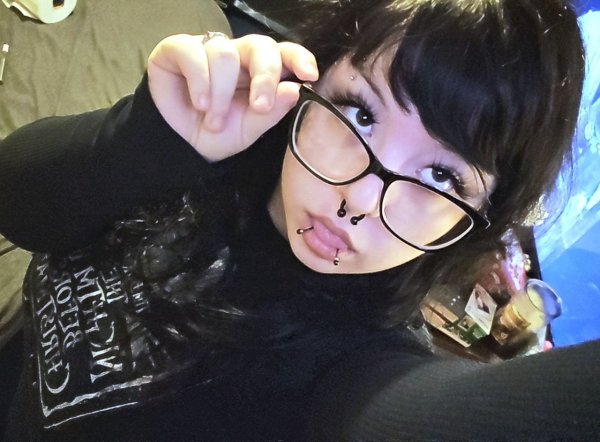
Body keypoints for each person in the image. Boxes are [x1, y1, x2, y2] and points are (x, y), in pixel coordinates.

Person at [0, 0, 598, 440]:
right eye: (360, 112)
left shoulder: (355, 370)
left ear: (480, 219)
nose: (357, 199)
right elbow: (15, 203)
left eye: (442, 176)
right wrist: (144, 135)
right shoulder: (222, 139)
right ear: (317, 74)